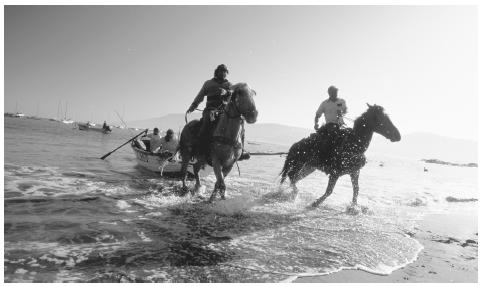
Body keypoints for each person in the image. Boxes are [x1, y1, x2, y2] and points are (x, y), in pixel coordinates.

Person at [186, 64, 233, 154]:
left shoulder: (229, 85)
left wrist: (227, 92)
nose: (223, 73)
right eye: (221, 71)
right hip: (210, 110)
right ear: (217, 72)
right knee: (206, 124)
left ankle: (239, 150)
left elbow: (234, 94)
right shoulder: (208, 83)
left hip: (224, 112)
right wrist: (193, 106)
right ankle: (200, 148)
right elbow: (200, 96)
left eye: (225, 72)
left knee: (237, 123)